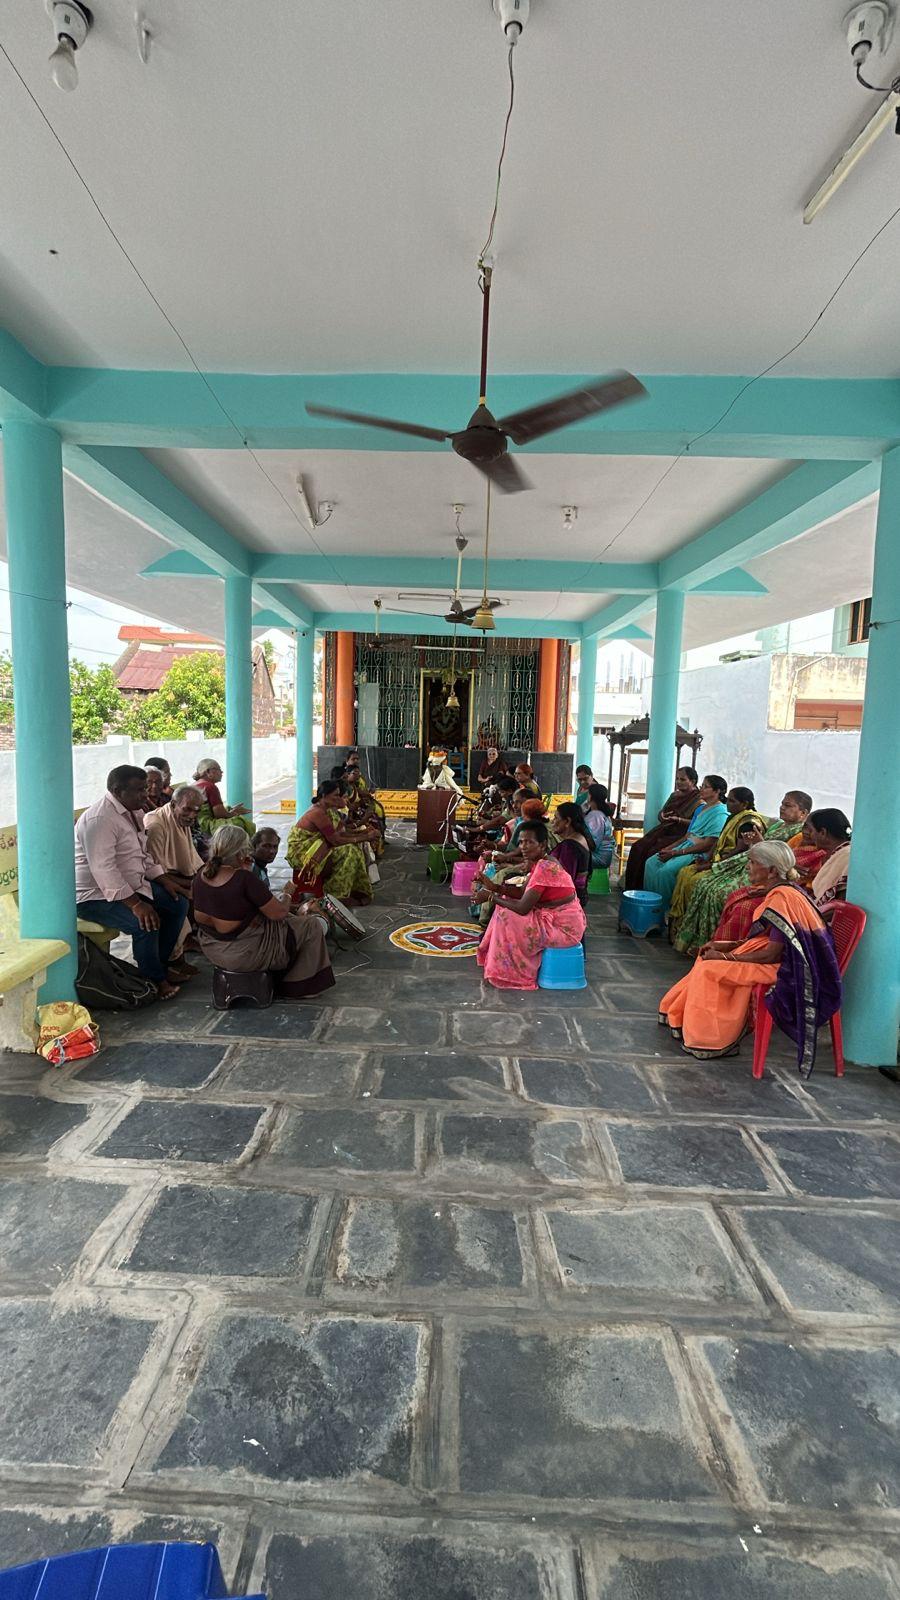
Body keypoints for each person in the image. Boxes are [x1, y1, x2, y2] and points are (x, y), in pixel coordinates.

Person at [658, 841, 841, 1076]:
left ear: (773, 870)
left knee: (710, 968)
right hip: (781, 957)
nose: (748, 868)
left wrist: (725, 956)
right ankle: (681, 1018)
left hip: (788, 969)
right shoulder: (783, 890)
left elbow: (770, 954)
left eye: (754, 863)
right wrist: (728, 946)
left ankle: (712, 1041)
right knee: (706, 956)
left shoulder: (781, 898)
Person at [75, 765, 191, 1000]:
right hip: (95, 895)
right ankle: (153, 980)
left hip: (133, 884)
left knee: (177, 904)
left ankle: (159, 965)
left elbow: (142, 853)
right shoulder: (100, 819)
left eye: (146, 788)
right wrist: (136, 905)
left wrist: (163, 879)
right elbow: (104, 870)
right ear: (118, 790)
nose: (145, 795)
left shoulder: (133, 810)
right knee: (144, 923)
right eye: (139, 790)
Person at [193, 825, 334, 998]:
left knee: (285, 919)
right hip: (245, 954)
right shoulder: (244, 879)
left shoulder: (201, 875)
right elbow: (279, 913)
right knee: (310, 924)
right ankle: (300, 986)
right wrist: (288, 893)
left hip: (213, 949)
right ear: (240, 852)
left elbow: (227, 902)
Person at [675, 790, 813, 954]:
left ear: (803, 813)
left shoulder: (798, 833)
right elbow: (761, 850)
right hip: (753, 865)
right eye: (782, 803)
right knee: (704, 884)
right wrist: (751, 843)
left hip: (769, 873)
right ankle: (703, 943)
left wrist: (758, 843)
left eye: (788, 805)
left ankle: (722, 948)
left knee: (718, 893)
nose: (782, 807)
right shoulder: (779, 825)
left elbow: (781, 860)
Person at [476, 820, 587, 991]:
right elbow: (522, 892)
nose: (524, 847)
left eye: (529, 842)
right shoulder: (541, 863)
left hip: (564, 927)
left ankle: (514, 973)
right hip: (555, 917)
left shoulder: (545, 867)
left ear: (542, 845)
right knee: (503, 903)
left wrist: (491, 896)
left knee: (506, 914)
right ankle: (499, 962)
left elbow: (523, 908)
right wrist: (495, 887)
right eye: (521, 842)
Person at [667, 786, 766, 940]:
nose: (728, 804)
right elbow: (718, 841)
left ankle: (700, 934)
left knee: (696, 882)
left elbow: (739, 852)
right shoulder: (732, 816)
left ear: (744, 804)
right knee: (684, 873)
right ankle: (680, 924)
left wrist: (710, 865)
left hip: (733, 864)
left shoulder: (748, 823)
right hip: (718, 859)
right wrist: (708, 857)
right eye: (728, 800)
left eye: (732, 801)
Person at [642, 775, 729, 914]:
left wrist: (677, 853)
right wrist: (669, 848)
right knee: (651, 863)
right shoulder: (701, 808)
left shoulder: (720, 813)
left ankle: (665, 912)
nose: (702, 788)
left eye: (706, 786)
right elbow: (687, 836)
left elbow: (709, 843)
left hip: (696, 851)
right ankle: (650, 906)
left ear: (717, 791)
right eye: (702, 785)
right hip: (685, 846)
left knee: (666, 872)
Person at [286, 778, 378, 904]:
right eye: (336, 795)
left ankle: (354, 891)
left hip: (317, 848)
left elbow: (342, 833)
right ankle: (335, 896)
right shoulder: (317, 813)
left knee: (353, 849)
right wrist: (366, 837)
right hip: (302, 853)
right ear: (324, 795)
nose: (339, 798)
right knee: (349, 852)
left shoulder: (329, 811)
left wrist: (364, 833)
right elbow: (335, 840)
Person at [144, 783, 205, 963]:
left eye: (196, 811)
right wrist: (190, 885)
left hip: (171, 874)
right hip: (152, 879)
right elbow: (153, 871)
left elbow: (191, 861)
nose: (191, 816)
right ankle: (172, 957)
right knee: (179, 902)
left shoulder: (180, 818)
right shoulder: (156, 825)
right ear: (173, 804)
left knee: (210, 884)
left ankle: (186, 943)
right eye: (187, 810)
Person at [624, 767, 700, 889]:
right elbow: (662, 813)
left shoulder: (699, 800)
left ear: (693, 781)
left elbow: (697, 824)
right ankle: (633, 889)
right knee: (637, 847)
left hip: (680, 835)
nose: (678, 782)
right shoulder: (674, 795)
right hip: (664, 830)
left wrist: (678, 820)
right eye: (677, 779)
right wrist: (663, 816)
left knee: (652, 853)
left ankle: (648, 890)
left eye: (682, 779)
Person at [193, 758, 255, 838]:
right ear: (208, 772)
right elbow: (220, 814)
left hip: (197, 823)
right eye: (219, 769)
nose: (222, 772)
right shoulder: (210, 787)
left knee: (229, 809)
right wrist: (235, 812)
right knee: (240, 822)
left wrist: (231, 809)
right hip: (206, 825)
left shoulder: (194, 785)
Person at [807, 809, 852, 912]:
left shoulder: (847, 856)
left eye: (811, 831)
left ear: (822, 832)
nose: (810, 836)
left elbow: (839, 905)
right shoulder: (838, 854)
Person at [551, 803, 593, 904]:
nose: (552, 821)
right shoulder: (580, 838)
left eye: (556, 818)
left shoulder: (569, 847)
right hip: (579, 895)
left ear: (567, 821)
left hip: (569, 900)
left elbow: (565, 880)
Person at [584, 783, 615, 868]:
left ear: (590, 796)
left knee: (567, 853)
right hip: (604, 856)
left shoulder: (596, 816)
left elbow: (593, 845)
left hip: (599, 858)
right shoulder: (600, 813)